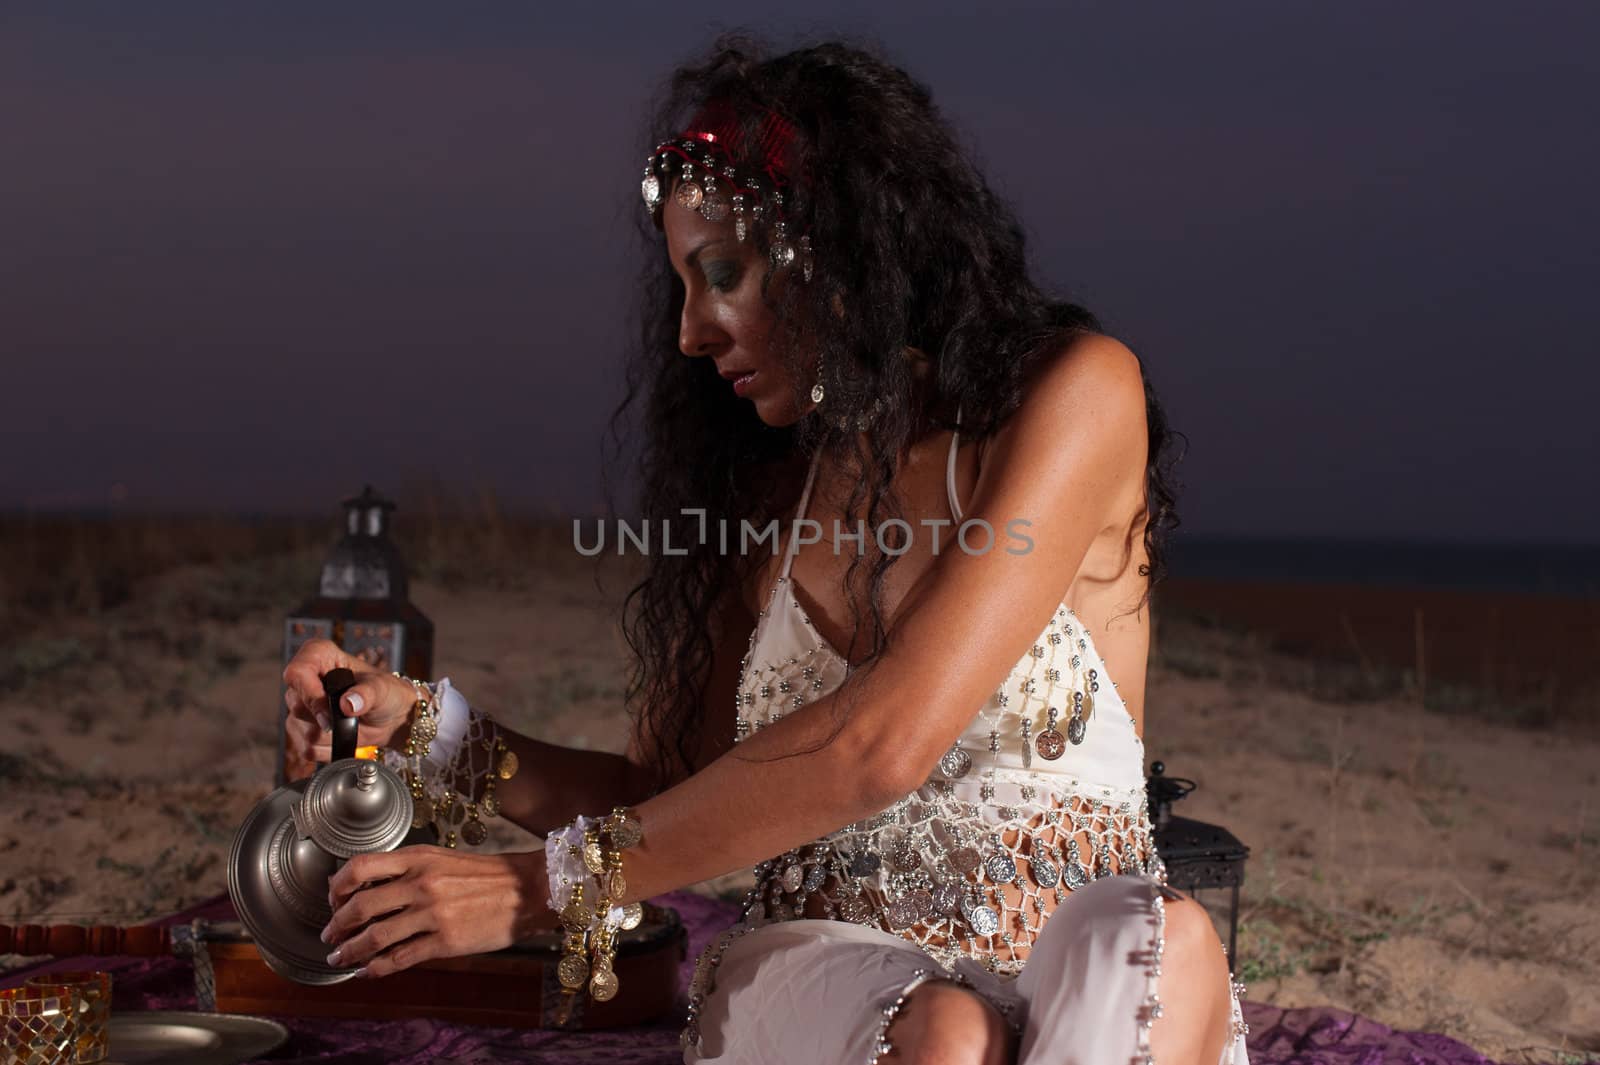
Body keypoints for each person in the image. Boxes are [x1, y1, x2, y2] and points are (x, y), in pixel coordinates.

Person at [282, 35, 1250, 1065]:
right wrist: (433, 734)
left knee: (1161, 936)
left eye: (722, 274)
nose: (692, 332)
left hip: (1086, 985)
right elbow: (668, 805)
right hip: (829, 976)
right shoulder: (761, 496)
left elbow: (884, 742)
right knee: (948, 1031)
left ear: (836, 249)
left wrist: (544, 889)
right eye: (682, 291)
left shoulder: (1069, 397)